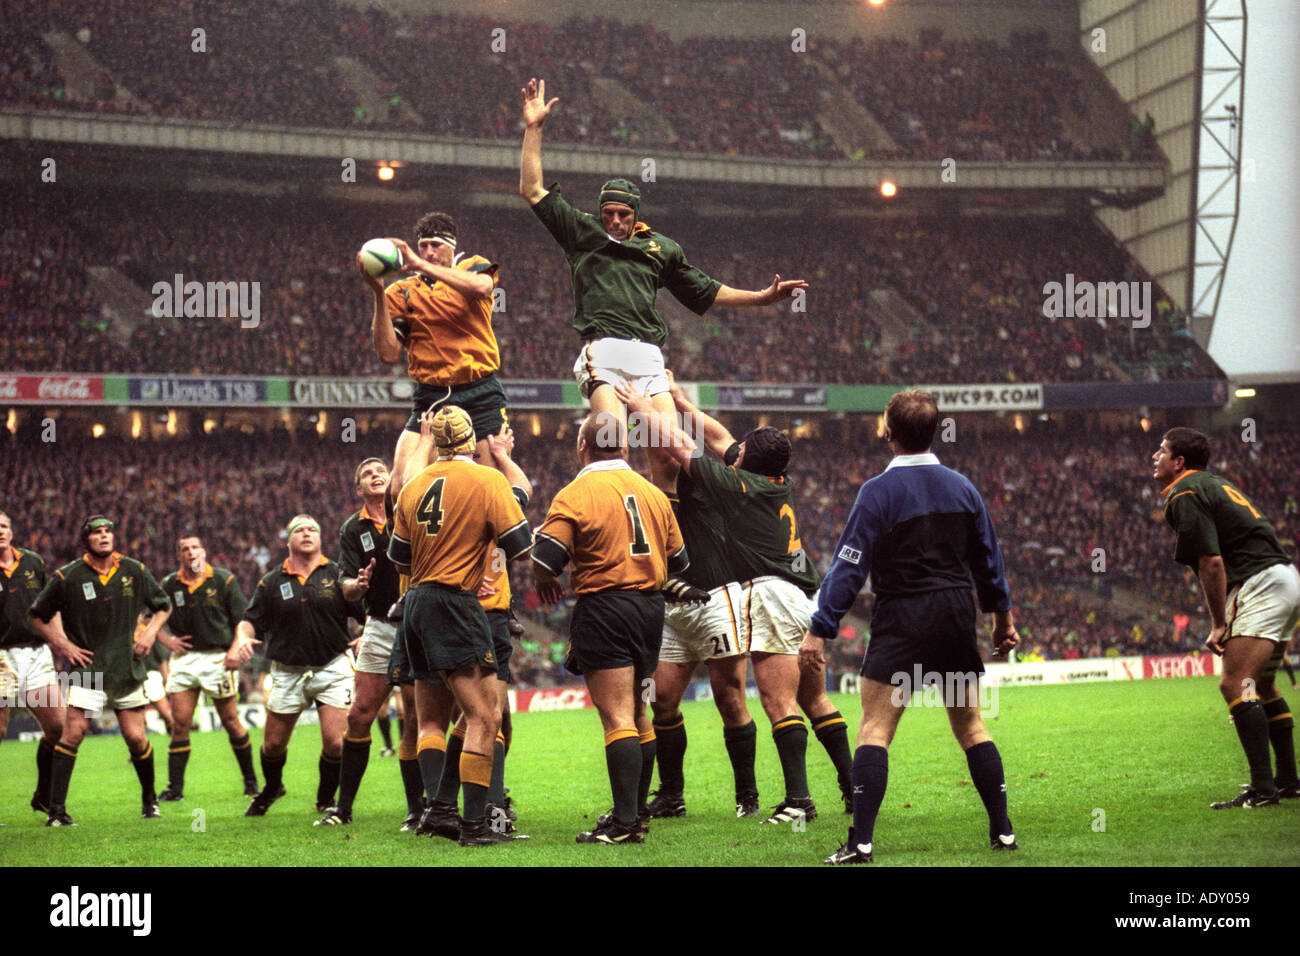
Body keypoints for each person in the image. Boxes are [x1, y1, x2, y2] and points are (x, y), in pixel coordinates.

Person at [518, 77, 808, 483]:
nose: (615, 221)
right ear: (600, 212)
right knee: (609, 444)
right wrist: (534, 128)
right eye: (609, 213)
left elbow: (706, 290)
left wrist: (761, 298)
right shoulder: (581, 233)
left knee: (668, 460)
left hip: (650, 358)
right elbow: (531, 189)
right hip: (605, 352)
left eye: (623, 214)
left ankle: (667, 543)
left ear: (635, 214)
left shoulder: (662, 249)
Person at [617, 380, 854, 824]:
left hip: (774, 593)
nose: (734, 449)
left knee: (778, 703)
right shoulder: (769, 480)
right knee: (815, 701)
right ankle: (853, 788)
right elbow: (721, 438)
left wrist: (638, 407)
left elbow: (676, 446)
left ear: (745, 463)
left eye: (741, 451)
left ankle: (798, 802)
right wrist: (686, 404)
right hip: (802, 594)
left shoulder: (735, 485)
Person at [800, 390, 1019, 864]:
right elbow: (989, 560)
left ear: (888, 432)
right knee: (972, 726)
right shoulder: (964, 488)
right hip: (956, 614)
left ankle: (860, 843)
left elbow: (849, 566)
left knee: (875, 729)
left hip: (903, 615)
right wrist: (1002, 619)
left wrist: (821, 627)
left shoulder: (877, 492)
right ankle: (1002, 833)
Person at [532, 411, 690, 845]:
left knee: (617, 715)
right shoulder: (652, 493)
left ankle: (624, 825)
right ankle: (634, 814)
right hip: (650, 611)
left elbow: (546, 559)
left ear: (582, 447)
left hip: (605, 608)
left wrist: (543, 577)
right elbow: (681, 564)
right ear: (624, 447)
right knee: (640, 711)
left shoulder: (576, 492)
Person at [388, 405, 533, 847]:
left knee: (437, 718)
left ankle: (440, 809)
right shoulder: (488, 481)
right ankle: (476, 827)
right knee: (485, 716)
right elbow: (520, 547)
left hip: (415, 604)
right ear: (471, 440)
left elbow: (400, 558)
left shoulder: (414, 486)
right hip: (457, 603)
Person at [1152, 426, 1300, 807]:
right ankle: (1286, 782)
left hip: (1260, 583)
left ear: (1179, 461)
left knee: (1234, 685)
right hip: (1284, 577)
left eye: (1162, 451)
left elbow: (1211, 561)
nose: (1156, 456)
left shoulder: (1184, 491)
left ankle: (1263, 789)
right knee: (1261, 687)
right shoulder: (1212, 484)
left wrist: (1219, 623)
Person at [27, 515, 173, 826]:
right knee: (74, 732)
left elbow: (163, 605)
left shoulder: (134, 569)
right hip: (89, 669)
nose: (104, 537)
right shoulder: (67, 577)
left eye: (108, 531)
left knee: (135, 737)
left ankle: (150, 801)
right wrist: (63, 645)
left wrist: (149, 632)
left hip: (126, 667)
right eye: (97, 533)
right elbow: (37, 616)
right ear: (86, 540)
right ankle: (56, 811)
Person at [361, 212, 507, 499]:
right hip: (431, 396)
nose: (428, 252)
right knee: (400, 488)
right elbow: (388, 353)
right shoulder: (400, 291)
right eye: (423, 245)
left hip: (479, 393)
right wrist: (378, 292)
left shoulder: (473, 266)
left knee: (488, 490)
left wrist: (417, 264)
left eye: (435, 245)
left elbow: (481, 287)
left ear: (452, 246)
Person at [227, 515, 363, 818]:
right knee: (273, 745)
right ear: (287, 540)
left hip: (332, 666)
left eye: (312, 529)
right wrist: (243, 639)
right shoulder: (272, 581)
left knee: (334, 742)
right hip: (288, 671)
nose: (306, 533)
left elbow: (364, 611)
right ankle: (273, 787)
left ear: (320, 538)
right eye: (299, 530)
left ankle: (326, 799)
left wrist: (365, 635)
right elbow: (250, 621)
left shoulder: (338, 573)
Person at [318, 458, 422, 829]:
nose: (377, 475)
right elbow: (344, 582)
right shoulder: (352, 528)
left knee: (414, 716)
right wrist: (356, 586)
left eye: (382, 470)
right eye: (367, 473)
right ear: (358, 489)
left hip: (415, 622)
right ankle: (342, 809)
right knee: (359, 714)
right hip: (378, 624)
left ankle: (416, 810)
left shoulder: (411, 504)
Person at [156, 534, 258, 802]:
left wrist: (236, 648)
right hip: (185, 661)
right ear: (179, 555)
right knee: (180, 724)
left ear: (203, 551)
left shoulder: (223, 579)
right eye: (184, 549)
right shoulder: (169, 584)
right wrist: (167, 640)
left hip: (218, 658)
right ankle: (175, 789)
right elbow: (147, 619)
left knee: (231, 721)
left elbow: (243, 620)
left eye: (194, 547)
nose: (190, 552)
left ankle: (251, 782)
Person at [0, 511, 63, 816]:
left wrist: (62, 642)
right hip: (1, 658)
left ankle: (43, 795)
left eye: (3, 526)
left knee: (57, 727)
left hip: (37, 653)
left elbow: (50, 607)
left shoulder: (32, 562)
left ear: (11, 531)